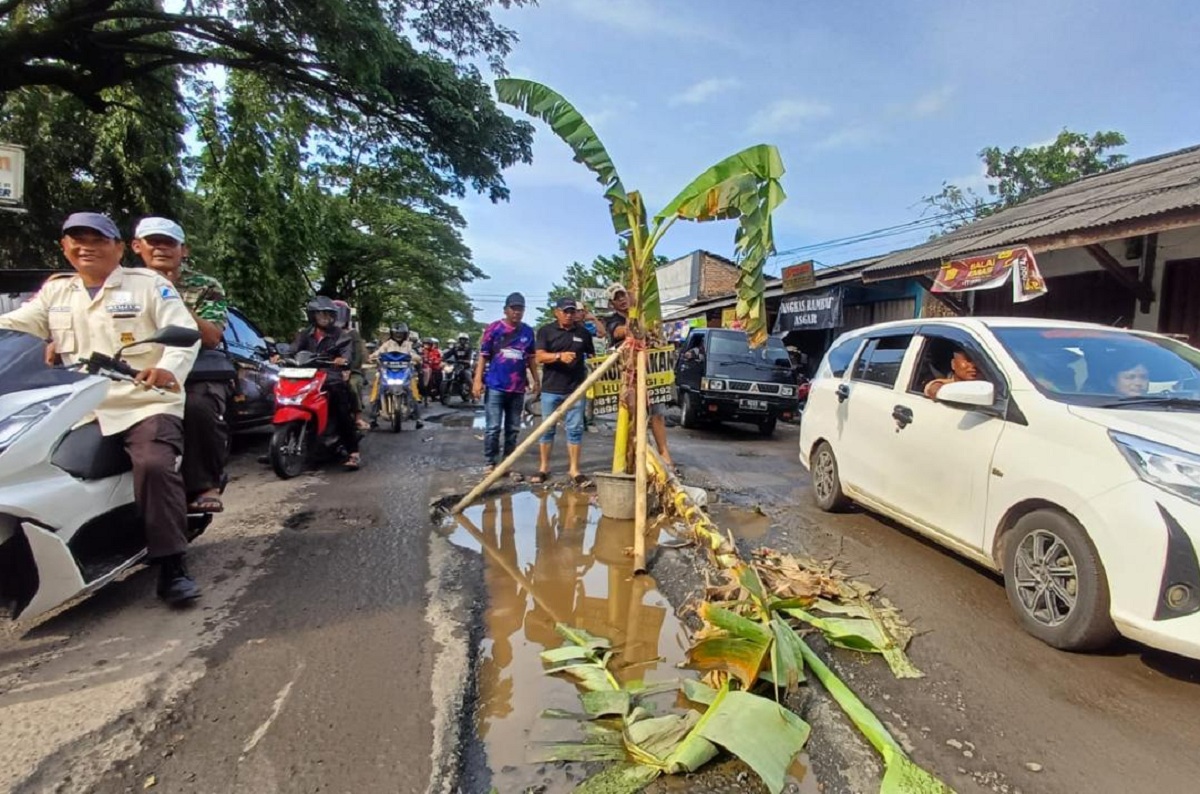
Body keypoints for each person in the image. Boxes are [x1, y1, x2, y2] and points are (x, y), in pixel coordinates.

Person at [0, 212, 202, 604]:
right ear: (64, 247)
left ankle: (172, 564)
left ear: (119, 247)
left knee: (154, 464)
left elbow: (185, 334)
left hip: (143, 402)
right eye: (77, 239)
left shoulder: (149, 285)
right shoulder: (57, 292)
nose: (86, 246)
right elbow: (14, 326)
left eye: (97, 239)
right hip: (79, 407)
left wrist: (165, 369)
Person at [132, 217, 234, 514]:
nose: (161, 248)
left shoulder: (204, 286)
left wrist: (169, 298)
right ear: (137, 246)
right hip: (133, 368)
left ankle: (205, 484)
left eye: (169, 242)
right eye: (154, 242)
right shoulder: (123, 282)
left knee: (199, 408)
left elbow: (212, 336)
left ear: (183, 250)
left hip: (191, 370)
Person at [603, 282, 677, 471]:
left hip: (651, 373)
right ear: (612, 304)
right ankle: (635, 455)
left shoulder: (646, 315)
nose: (621, 300)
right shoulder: (613, 321)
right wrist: (634, 318)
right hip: (630, 377)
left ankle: (664, 453)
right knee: (634, 417)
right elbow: (622, 331)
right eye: (617, 298)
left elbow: (655, 334)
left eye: (623, 296)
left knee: (657, 413)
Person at [291, 296, 362, 469]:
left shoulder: (341, 336)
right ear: (312, 316)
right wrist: (281, 355)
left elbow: (347, 354)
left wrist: (342, 360)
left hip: (330, 376)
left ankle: (353, 452)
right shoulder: (304, 334)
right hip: (306, 375)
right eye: (321, 314)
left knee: (341, 408)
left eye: (329, 315)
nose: (325, 318)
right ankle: (280, 442)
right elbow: (293, 350)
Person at [473, 292, 539, 475]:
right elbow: (483, 356)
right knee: (493, 427)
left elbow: (532, 358)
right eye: (514, 308)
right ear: (506, 310)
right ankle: (490, 462)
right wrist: (477, 380)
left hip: (517, 389)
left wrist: (536, 380)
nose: (517, 312)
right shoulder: (494, 329)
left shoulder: (527, 332)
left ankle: (506, 463)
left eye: (520, 309)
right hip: (496, 386)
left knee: (513, 429)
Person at [534, 297, 596, 485]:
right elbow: (539, 357)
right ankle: (544, 468)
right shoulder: (546, 331)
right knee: (546, 430)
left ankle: (574, 470)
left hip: (576, 389)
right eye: (565, 311)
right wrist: (559, 356)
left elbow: (592, 356)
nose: (569, 315)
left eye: (572, 311)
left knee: (575, 429)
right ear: (556, 312)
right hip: (551, 389)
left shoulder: (583, 333)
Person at [369, 321, 422, 427]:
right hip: (387, 371)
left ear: (405, 334)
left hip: (404, 372)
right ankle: (373, 417)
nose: (398, 335)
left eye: (401, 333)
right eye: (396, 333)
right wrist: (372, 357)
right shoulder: (387, 344)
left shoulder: (408, 345)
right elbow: (377, 353)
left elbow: (415, 355)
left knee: (412, 390)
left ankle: (417, 418)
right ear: (392, 334)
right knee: (378, 388)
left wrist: (416, 358)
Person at [332, 299, 369, 430]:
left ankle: (358, 417)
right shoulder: (321, 334)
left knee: (352, 385)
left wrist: (348, 369)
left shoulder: (352, 333)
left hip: (351, 370)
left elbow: (358, 356)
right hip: (328, 370)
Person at [422, 337, 443, 403]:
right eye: (425, 344)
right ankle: (424, 394)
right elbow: (419, 358)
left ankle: (439, 393)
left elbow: (439, 359)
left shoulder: (435, 351)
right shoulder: (422, 351)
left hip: (434, 368)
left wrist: (433, 361)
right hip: (424, 368)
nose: (426, 346)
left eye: (427, 344)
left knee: (438, 377)